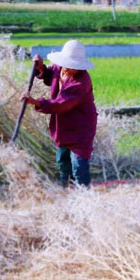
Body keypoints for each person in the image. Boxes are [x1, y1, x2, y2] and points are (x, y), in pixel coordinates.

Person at [21, 39, 97, 187]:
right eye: (68, 65)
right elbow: (51, 75)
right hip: (62, 124)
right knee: (62, 160)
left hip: (81, 126)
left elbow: (61, 104)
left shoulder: (81, 81)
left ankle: (83, 193)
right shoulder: (60, 68)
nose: (69, 69)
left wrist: (36, 102)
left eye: (73, 67)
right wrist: (41, 67)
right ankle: (65, 189)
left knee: (78, 163)